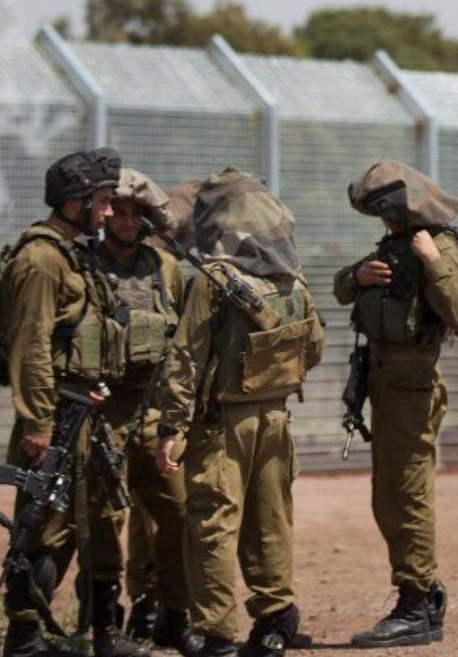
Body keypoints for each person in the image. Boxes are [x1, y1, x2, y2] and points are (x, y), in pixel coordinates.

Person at [153, 169, 326, 657]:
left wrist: (170, 427)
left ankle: (217, 636)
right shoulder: (294, 279)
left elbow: (185, 358)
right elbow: (314, 349)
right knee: (270, 520)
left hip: (221, 426)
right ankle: (275, 619)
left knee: (212, 525)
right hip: (276, 420)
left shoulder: (212, 281)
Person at [0, 147, 148, 657]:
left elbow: (73, 336)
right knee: (44, 525)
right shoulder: (40, 260)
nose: (109, 213)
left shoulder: (70, 253)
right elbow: (31, 345)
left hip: (83, 411)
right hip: (54, 417)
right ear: (74, 202)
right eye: (103, 202)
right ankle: (24, 638)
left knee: (95, 517)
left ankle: (99, 630)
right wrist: (38, 422)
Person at [333, 161, 458, 649]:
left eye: (385, 210)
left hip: (411, 386)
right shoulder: (390, 245)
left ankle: (416, 604)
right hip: (383, 381)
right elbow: (339, 288)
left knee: (407, 495)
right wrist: (357, 275)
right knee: (387, 496)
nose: (381, 220)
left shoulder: (439, 244)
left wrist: (432, 259)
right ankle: (423, 594)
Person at [88, 168, 199, 656]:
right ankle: (104, 624)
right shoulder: (83, 264)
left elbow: (181, 345)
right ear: (105, 214)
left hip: (154, 412)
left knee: (176, 514)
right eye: (120, 212)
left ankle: (173, 617)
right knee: (104, 518)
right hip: (101, 413)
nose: (128, 222)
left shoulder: (164, 267)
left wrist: (174, 418)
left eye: (138, 213)